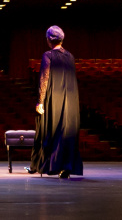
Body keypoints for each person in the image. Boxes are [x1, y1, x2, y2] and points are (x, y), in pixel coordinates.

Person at [27, 25, 83, 178]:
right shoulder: (70, 56)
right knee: (65, 132)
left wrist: (40, 101)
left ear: (48, 39)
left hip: (54, 99)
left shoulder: (48, 55)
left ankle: (43, 164)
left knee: (47, 129)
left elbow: (44, 78)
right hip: (70, 102)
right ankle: (65, 166)